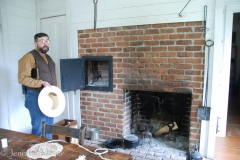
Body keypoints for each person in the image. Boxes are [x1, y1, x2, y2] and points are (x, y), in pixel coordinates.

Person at [18, 33, 57, 138]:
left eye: (47, 41)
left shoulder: (49, 58)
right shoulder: (28, 57)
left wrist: (56, 91)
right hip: (35, 95)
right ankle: (37, 152)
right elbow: (22, 78)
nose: (45, 44)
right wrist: (41, 83)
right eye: (42, 41)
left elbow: (53, 76)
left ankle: (48, 150)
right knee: (39, 127)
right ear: (35, 43)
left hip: (49, 96)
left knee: (49, 126)